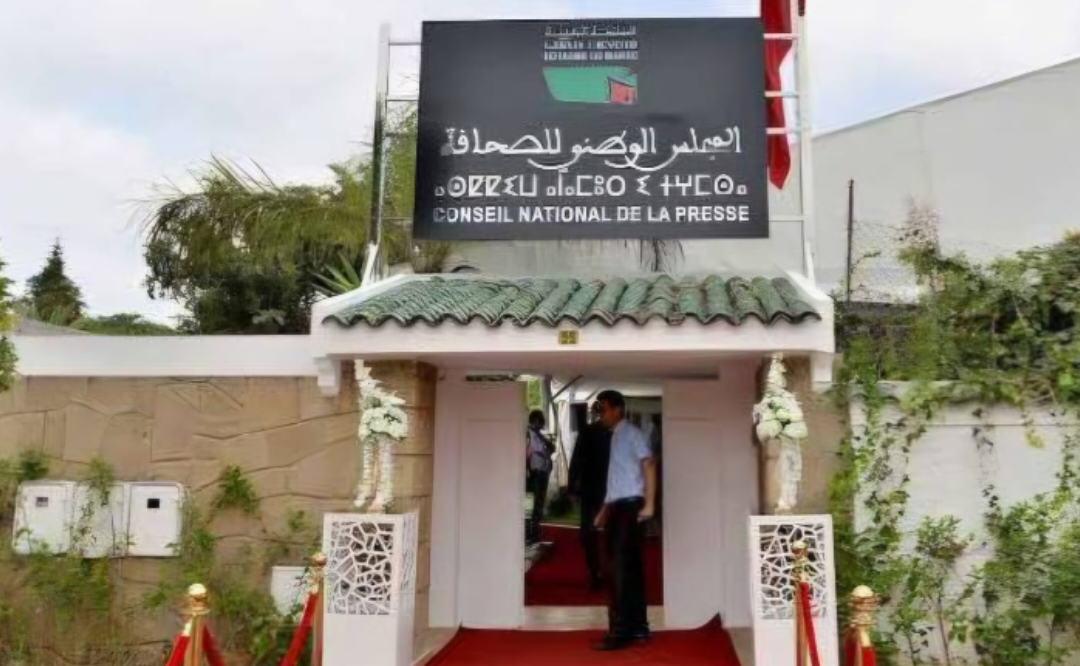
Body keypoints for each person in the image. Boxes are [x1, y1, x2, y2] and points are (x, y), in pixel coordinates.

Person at [592, 390, 656, 651]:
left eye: (603, 409)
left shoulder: (631, 433)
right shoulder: (616, 436)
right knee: (628, 567)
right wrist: (604, 510)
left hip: (630, 506)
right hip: (618, 506)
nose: (600, 414)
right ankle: (638, 627)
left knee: (620, 568)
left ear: (617, 409)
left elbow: (649, 464)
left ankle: (621, 630)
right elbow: (617, 478)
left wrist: (650, 503)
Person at [567, 401, 611, 590]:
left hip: (595, 487)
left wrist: (572, 487)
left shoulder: (590, 432)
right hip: (603, 487)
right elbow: (577, 460)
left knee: (590, 531)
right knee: (600, 530)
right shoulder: (611, 433)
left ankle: (596, 571)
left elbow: (576, 460)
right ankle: (600, 571)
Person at [525, 409, 555, 545]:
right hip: (533, 474)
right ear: (534, 421)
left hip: (543, 473)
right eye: (539, 421)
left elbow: (552, 448)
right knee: (530, 504)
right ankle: (528, 533)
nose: (541, 424)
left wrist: (541, 436)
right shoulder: (527, 434)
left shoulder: (540, 436)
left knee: (539, 505)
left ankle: (535, 533)